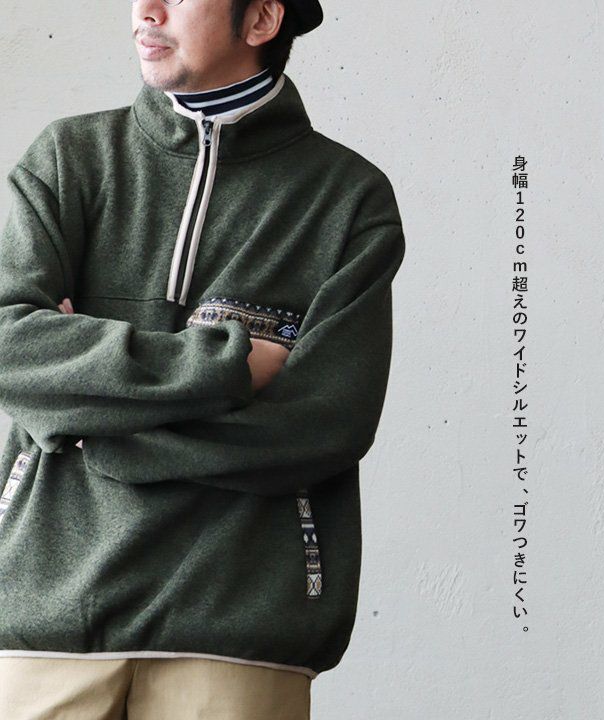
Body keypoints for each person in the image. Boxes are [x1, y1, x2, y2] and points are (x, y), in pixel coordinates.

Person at [0, 0, 406, 717]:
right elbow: (8, 344)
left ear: (262, 20)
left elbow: (324, 423)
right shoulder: (68, 159)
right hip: (44, 617)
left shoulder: (348, 200)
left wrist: (92, 423)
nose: (145, 12)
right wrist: (223, 369)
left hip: (238, 627)